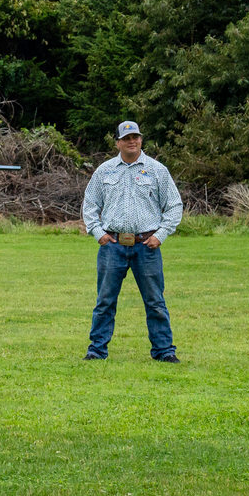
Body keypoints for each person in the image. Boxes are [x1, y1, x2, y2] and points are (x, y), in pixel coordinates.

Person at [81, 120, 183, 362]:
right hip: (112, 246)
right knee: (105, 301)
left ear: (141, 140)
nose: (132, 141)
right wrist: (98, 233)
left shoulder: (157, 170)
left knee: (155, 302)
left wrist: (161, 234)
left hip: (146, 247)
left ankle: (164, 352)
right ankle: (97, 350)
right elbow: (90, 204)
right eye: (126, 138)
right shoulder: (104, 171)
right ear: (117, 142)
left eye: (135, 137)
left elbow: (174, 206)